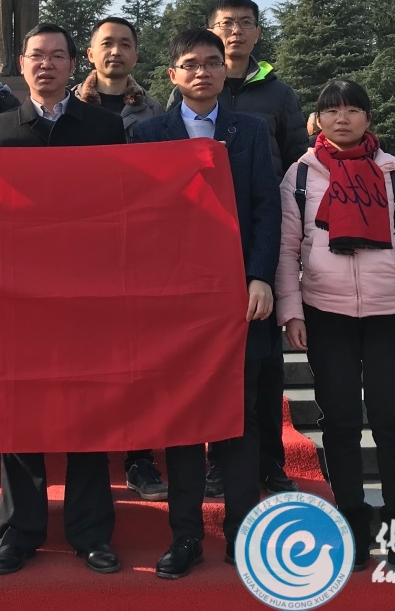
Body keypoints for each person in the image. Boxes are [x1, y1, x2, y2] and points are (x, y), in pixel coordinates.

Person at [130, 29, 281, 578]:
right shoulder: (147, 134)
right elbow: (137, 217)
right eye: (190, 64)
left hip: (237, 297)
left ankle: (242, 532)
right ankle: (186, 536)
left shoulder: (251, 130)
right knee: (184, 420)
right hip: (175, 302)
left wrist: (260, 276)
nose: (202, 72)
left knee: (240, 415)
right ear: (172, 75)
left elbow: (267, 208)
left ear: (225, 70)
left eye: (212, 63)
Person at [276, 80, 395, 573]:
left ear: (368, 118)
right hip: (326, 314)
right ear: (318, 120)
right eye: (332, 110)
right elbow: (287, 250)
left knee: (394, 421)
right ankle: (350, 524)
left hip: (391, 315)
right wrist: (291, 311)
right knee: (340, 422)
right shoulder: (300, 175)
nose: (342, 118)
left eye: (352, 110)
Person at [0, 23, 125, 577]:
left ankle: (91, 533)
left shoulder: (105, 128)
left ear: (72, 64)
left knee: (88, 411)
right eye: (36, 56)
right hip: (18, 294)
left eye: (57, 56)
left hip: (87, 293)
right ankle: (19, 533)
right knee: (20, 413)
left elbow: (121, 206)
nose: (46, 65)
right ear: (21, 63)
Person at [171, 0, 304, 498]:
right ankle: (214, 465)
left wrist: (265, 267)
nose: (236, 32)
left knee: (262, 370)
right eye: (226, 23)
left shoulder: (276, 96)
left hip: (255, 245)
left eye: (245, 23)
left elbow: (292, 168)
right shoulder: (176, 108)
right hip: (193, 256)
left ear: (256, 32)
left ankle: (267, 461)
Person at [70, 16, 167, 502]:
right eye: (106, 43)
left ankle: (138, 456)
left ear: (136, 54)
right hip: (79, 253)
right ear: (90, 54)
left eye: (125, 44)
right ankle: (83, 447)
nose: (116, 51)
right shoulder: (68, 110)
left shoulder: (157, 114)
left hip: (137, 251)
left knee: (136, 358)